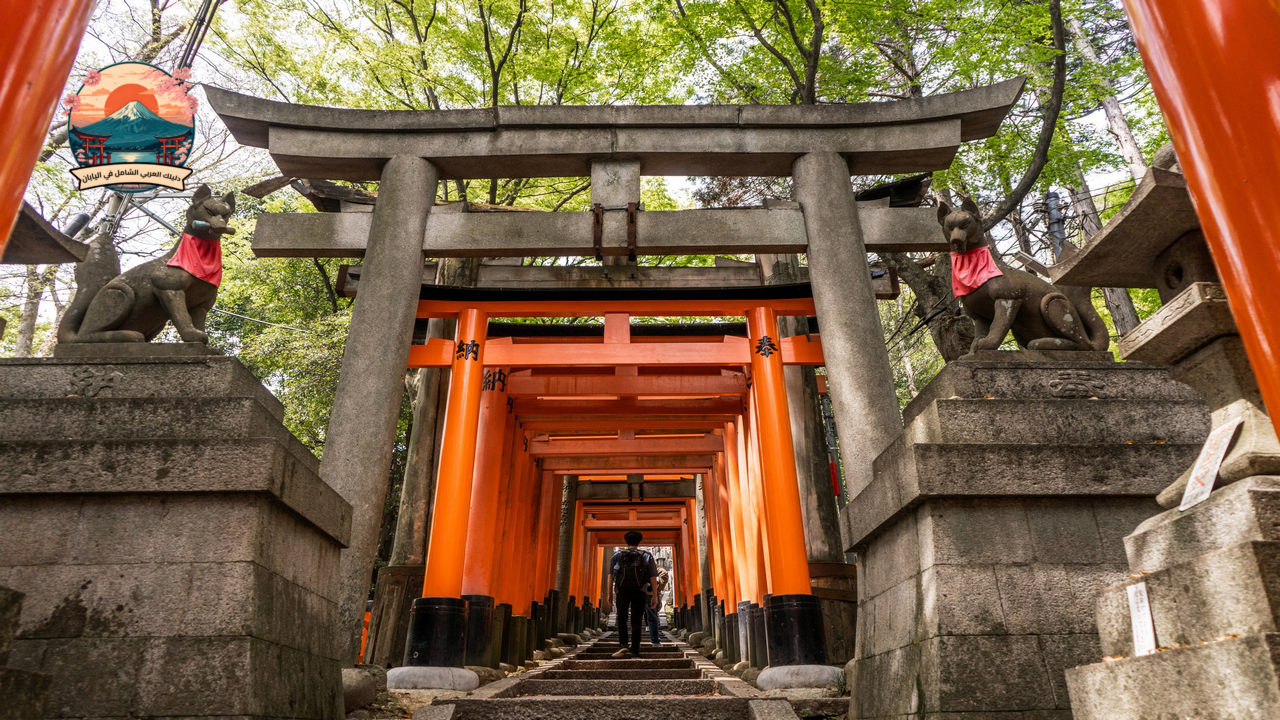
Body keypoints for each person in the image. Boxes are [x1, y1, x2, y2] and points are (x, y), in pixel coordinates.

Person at [609, 530, 658, 658]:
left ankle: (623, 644)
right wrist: (655, 596)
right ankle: (635, 650)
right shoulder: (647, 556)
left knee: (622, 618)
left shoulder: (617, 555)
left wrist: (609, 593)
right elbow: (653, 577)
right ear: (639, 541)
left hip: (622, 590)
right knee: (637, 620)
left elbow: (610, 576)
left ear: (626, 541)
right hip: (640, 591)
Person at [645, 561, 670, 645]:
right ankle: (655, 640)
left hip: (635, 593)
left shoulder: (630, 561)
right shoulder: (649, 561)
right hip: (649, 593)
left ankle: (634, 642)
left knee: (635, 619)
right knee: (652, 617)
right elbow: (664, 573)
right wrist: (658, 589)